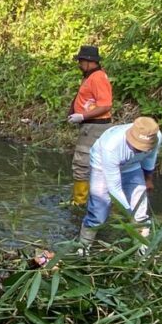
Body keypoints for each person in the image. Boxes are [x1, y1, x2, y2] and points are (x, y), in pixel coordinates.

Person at [76, 116, 162, 249]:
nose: (140, 150)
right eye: (137, 147)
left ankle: (142, 253)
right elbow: (114, 188)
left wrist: (148, 179)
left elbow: (150, 157)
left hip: (132, 166)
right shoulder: (111, 145)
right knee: (98, 213)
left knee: (140, 214)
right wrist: (129, 214)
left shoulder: (157, 137)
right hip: (102, 166)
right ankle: (83, 248)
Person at [67, 45, 114, 207]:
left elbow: (105, 105)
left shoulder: (98, 78)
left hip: (94, 128)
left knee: (81, 162)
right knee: (93, 163)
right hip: (90, 126)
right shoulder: (90, 76)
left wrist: (82, 116)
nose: (79, 64)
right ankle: (90, 200)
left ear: (89, 62)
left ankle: (80, 202)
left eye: (80, 61)